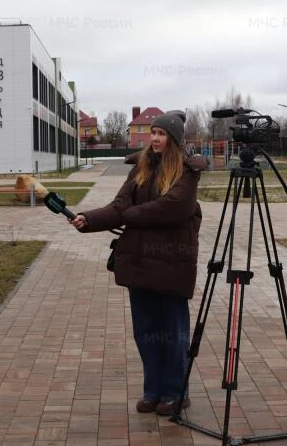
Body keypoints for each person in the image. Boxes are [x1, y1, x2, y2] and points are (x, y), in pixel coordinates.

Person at [70, 110, 208, 416]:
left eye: (162, 134)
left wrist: (129, 216)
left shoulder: (187, 170)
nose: (155, 139)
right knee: (145, 332)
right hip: (140, 263)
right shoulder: (140, 169)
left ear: (174, 140)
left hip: (172, 265)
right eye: (153, 133)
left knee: (172, 333)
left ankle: (175, 392)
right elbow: (119, 205)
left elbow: (173, 208)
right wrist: (88, 219)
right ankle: (153, 390)